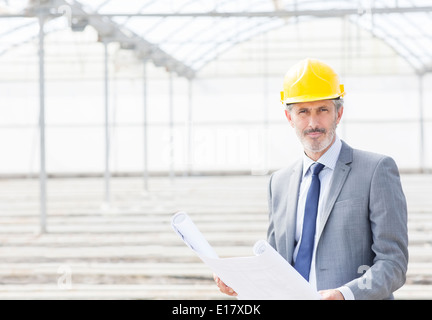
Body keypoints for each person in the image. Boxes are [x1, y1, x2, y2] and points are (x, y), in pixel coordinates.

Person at [214, 58, 408, 300]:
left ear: (339, 113)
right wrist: (245, 282)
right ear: (289, 117)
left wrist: (345, 294)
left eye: (322, 110)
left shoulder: (376, 170)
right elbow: (276, 264)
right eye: (303, 111)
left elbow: (393, 264)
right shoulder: (279, 183)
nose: (313, 123)